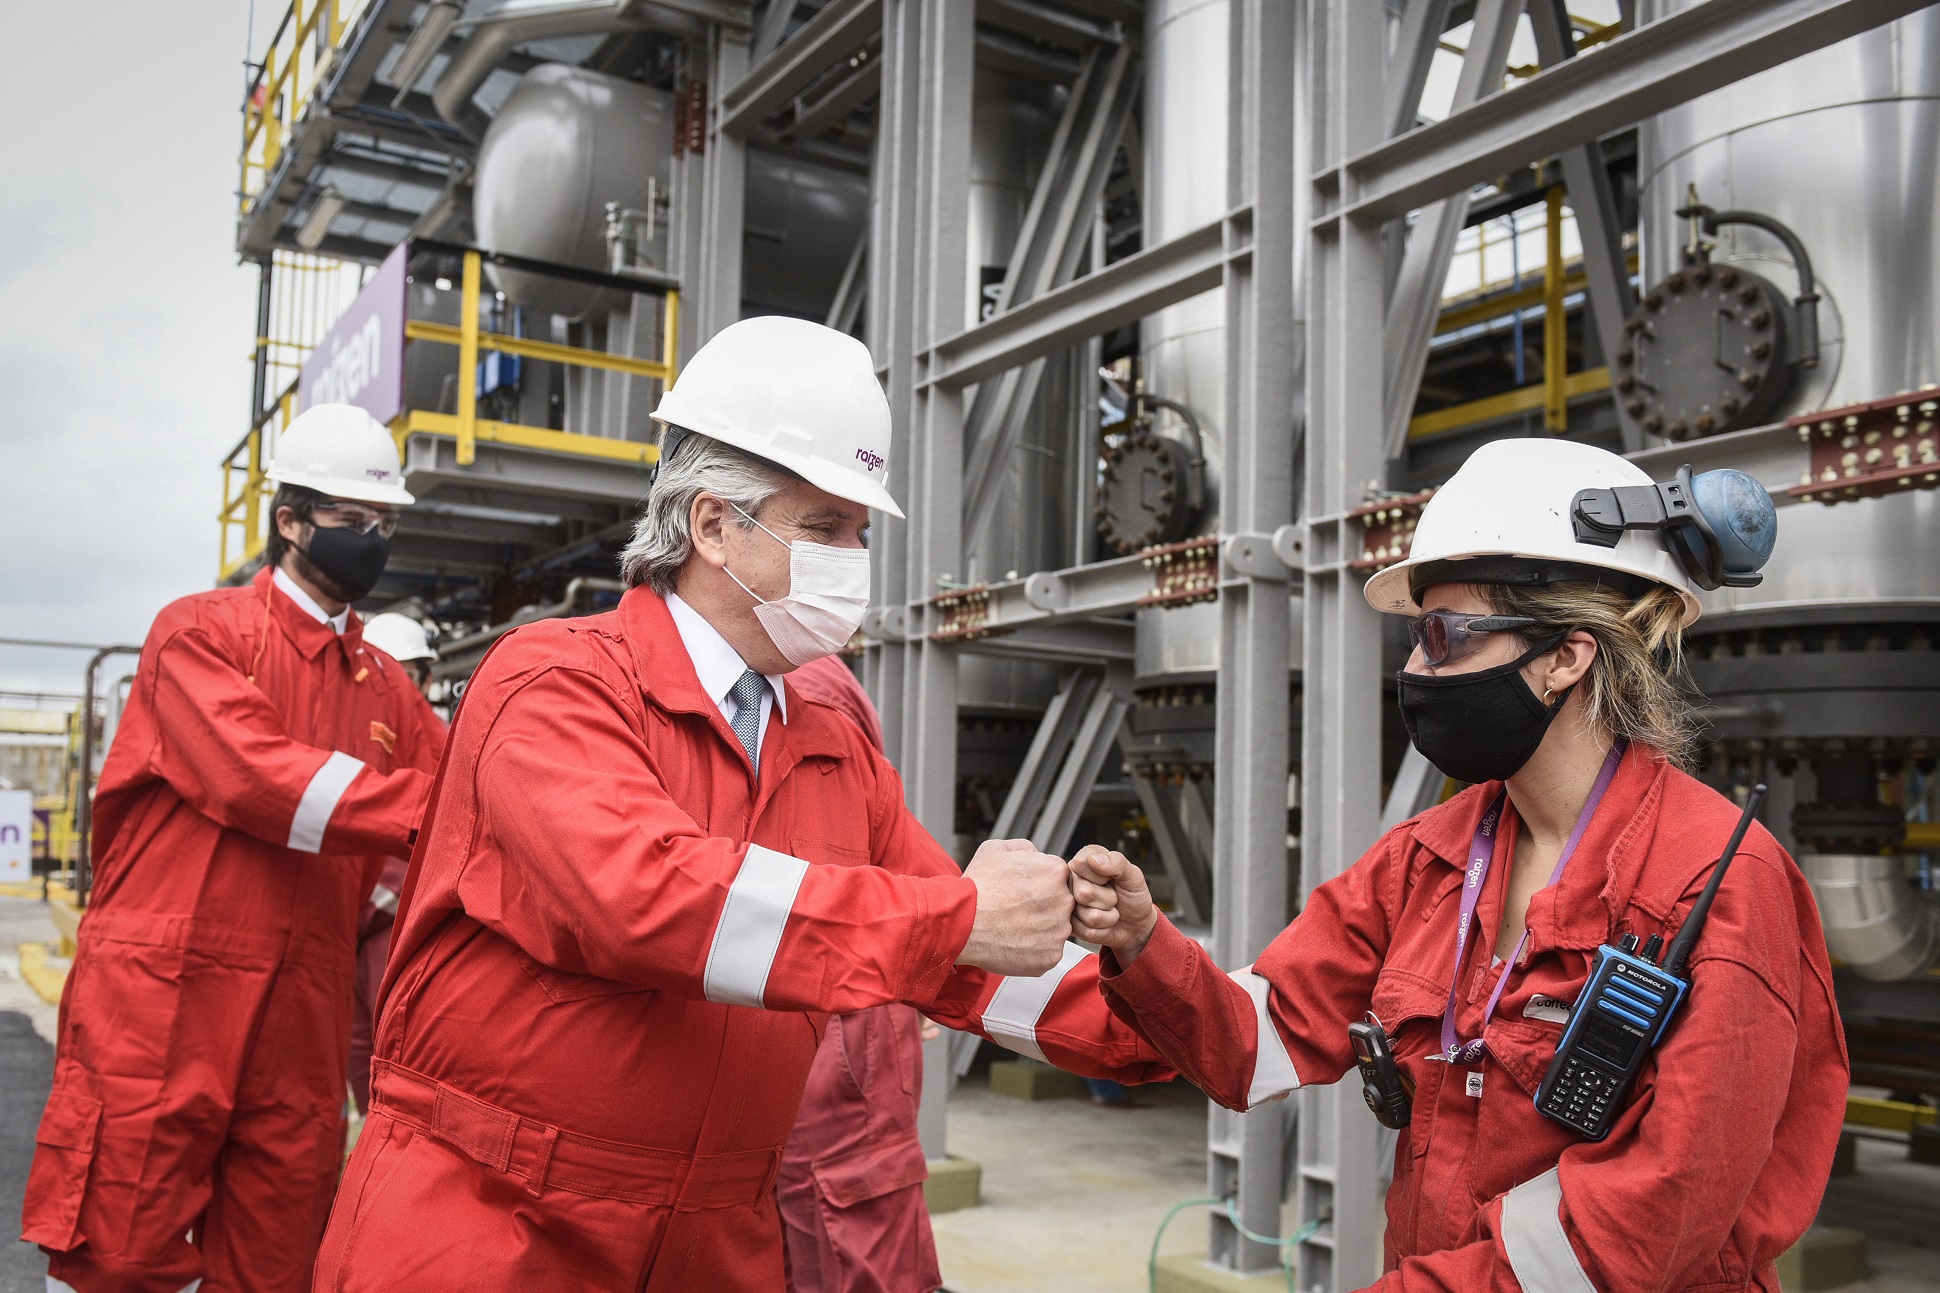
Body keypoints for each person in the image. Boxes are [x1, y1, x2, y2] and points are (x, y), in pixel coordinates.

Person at [313, 316, 1171, 1292]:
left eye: (857, 533)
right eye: (823, 530)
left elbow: (969, 965)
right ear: (713, 526)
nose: (852, 560)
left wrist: (1166, 1009)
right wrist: (962, 917)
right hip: (499, 1225)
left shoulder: (829, 739)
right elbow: (647, 902)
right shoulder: (553, 680)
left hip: (714, 1235)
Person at [1071, 438, 1847, 1293]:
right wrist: (1142, 941)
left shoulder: (1720, 886)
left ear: (1567, 655)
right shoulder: (1429, 858)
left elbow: (1644, 1231)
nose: (1412, 670)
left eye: (1442, 636)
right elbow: (1253, 1041)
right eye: (1415, 635)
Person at [24, 404, 447, 1293]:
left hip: (304, 1006)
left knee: (278, 1254)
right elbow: (256, 779)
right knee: (122, 1247)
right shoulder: (201, 632)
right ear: (288, 521)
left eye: (384, 524)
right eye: (348, 521)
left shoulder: (387, 687)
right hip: (169, 991)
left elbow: (471, 795)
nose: (370, 541)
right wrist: (426, 815)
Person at [778, 654, 940, 1293]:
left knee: (839, 1226)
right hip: (824, 1004)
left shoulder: (800, 683)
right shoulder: (780, 671)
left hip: (833, 1015)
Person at [346, 612, 446, 1116]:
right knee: (354, 1047)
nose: (394, 684)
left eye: (405, 671)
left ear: (427, 679)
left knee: (398, 1048)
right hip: (350, 923)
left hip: (399, 924)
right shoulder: (359, 733)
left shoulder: (444, 741)